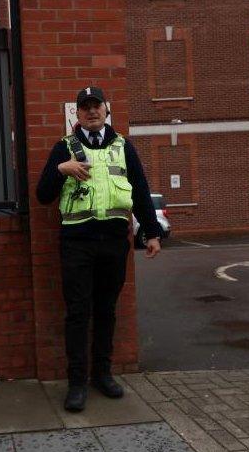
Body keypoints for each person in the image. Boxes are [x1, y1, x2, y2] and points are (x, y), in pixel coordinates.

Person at [36, 86, 163, 412]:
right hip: (77, 243)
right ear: (77, 114)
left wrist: (151, 232)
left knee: (106, 310)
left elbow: (141, 190)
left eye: (97, 107)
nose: (92, 112)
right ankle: (77, 382)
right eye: (85, 108)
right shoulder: (64, 147)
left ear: (106, 111)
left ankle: (102, 374)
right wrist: (60, 169)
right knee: (78, 313)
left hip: (113, 243)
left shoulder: (123, 147)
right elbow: (43, 195)